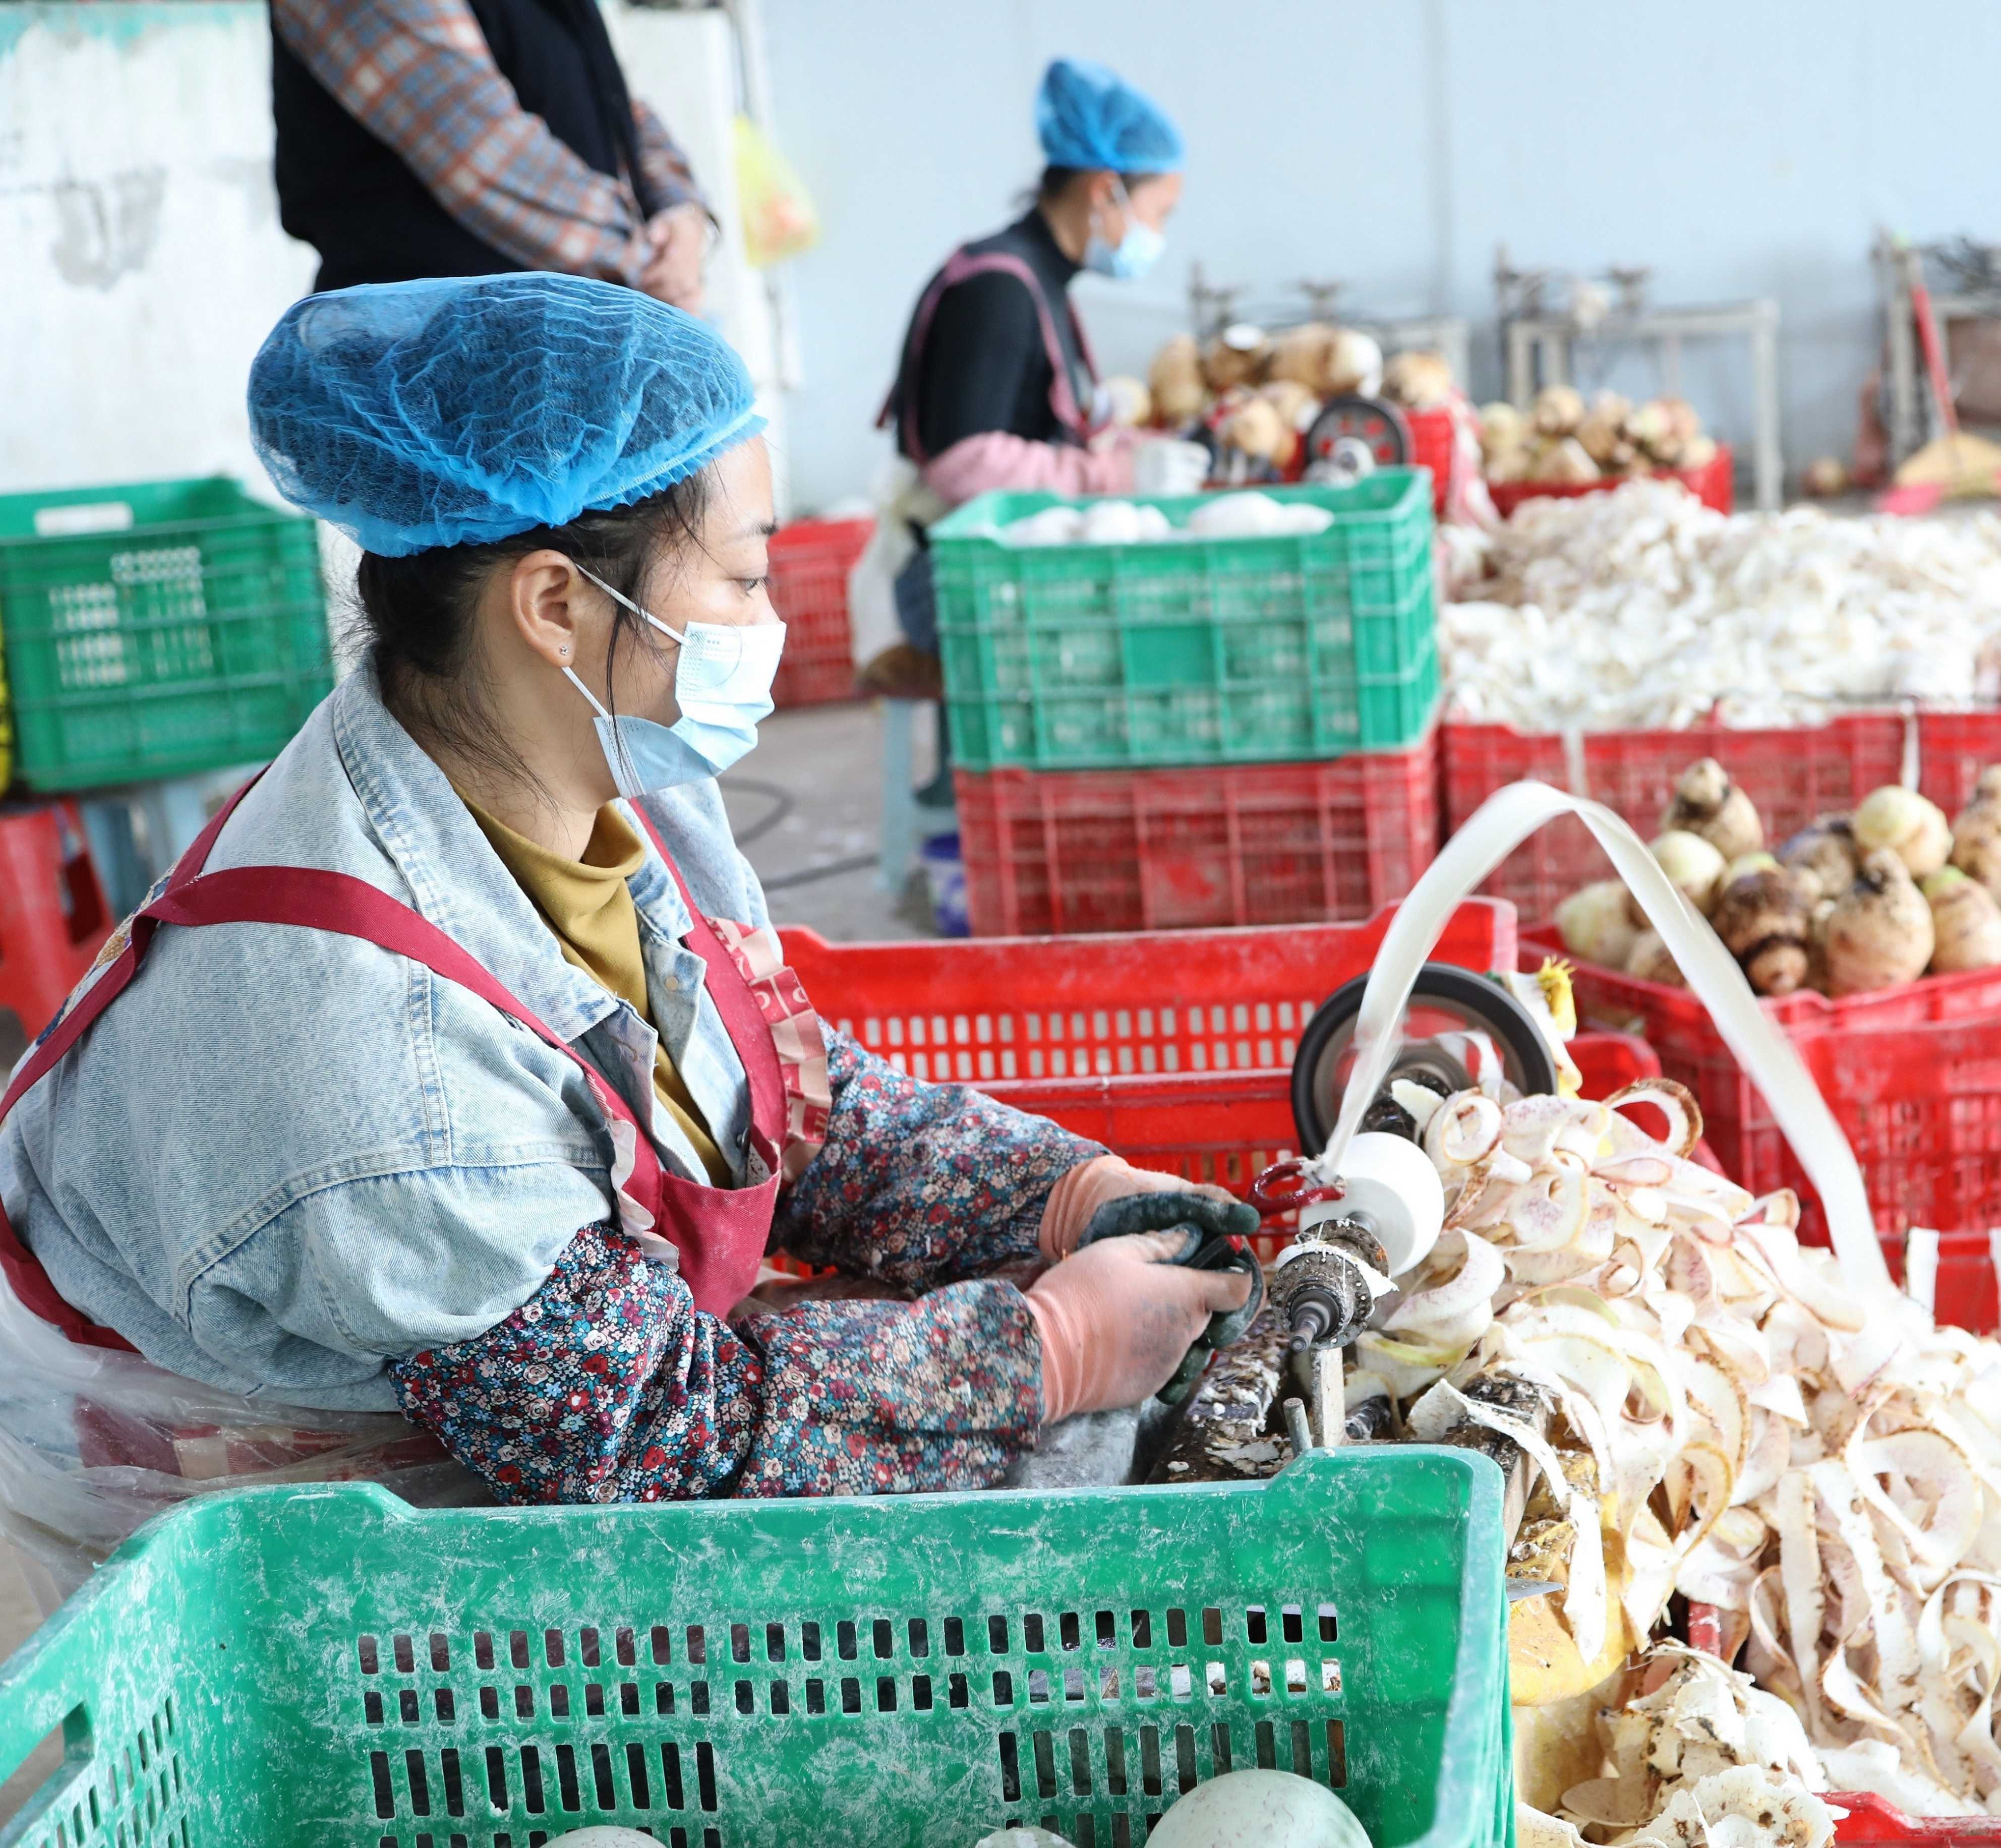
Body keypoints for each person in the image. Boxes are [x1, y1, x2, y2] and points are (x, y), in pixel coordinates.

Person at [0, 276, 1250, 1581]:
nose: (770, 622)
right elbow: (653, 1436)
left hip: (561, 1384)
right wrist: (1039, 1355)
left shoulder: (602, 767)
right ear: (554, 606)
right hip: (268, 1535)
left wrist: (1054, 1196)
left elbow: (766, 1094)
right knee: (1064, 1480)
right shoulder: (383, 1064)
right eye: (744, 577)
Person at [857, 57, 1208, 718]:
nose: (1158, 235)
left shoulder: (1041, 280)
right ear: (1105, 191)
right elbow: (965, 463)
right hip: (944, 585)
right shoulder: (997, 290)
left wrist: (1135, 448)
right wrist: (1111, 476)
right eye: (1160, 213)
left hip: (997, 571)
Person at [268, 0, 712, 307]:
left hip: (560, 348)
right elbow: (485, 161)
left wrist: (682, 215)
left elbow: (619, 109)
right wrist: (655, 264)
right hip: (431, 362)